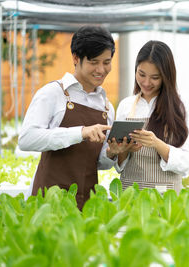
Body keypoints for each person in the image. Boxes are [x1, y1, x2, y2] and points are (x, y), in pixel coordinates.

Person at [18, 25, 117, 209]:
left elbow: (99, 163)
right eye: (94, 62)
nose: (101, 69)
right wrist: (80, 132)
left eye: (106, 62)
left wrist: (113, 152)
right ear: (75, 58)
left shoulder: (106, 107)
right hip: (49, 201)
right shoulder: (53, 93)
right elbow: (26, 139)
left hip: (87, 203)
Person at [108, 40, 189, 194]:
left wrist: (156, 143)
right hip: (131, 193)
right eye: (141, 74)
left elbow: (185, 162)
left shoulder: (182, 106)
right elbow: (119, 166)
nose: (146, 82)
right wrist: (122, 150)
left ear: (166, 77)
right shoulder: (126, 106)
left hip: (165, 195)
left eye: (155, 77)